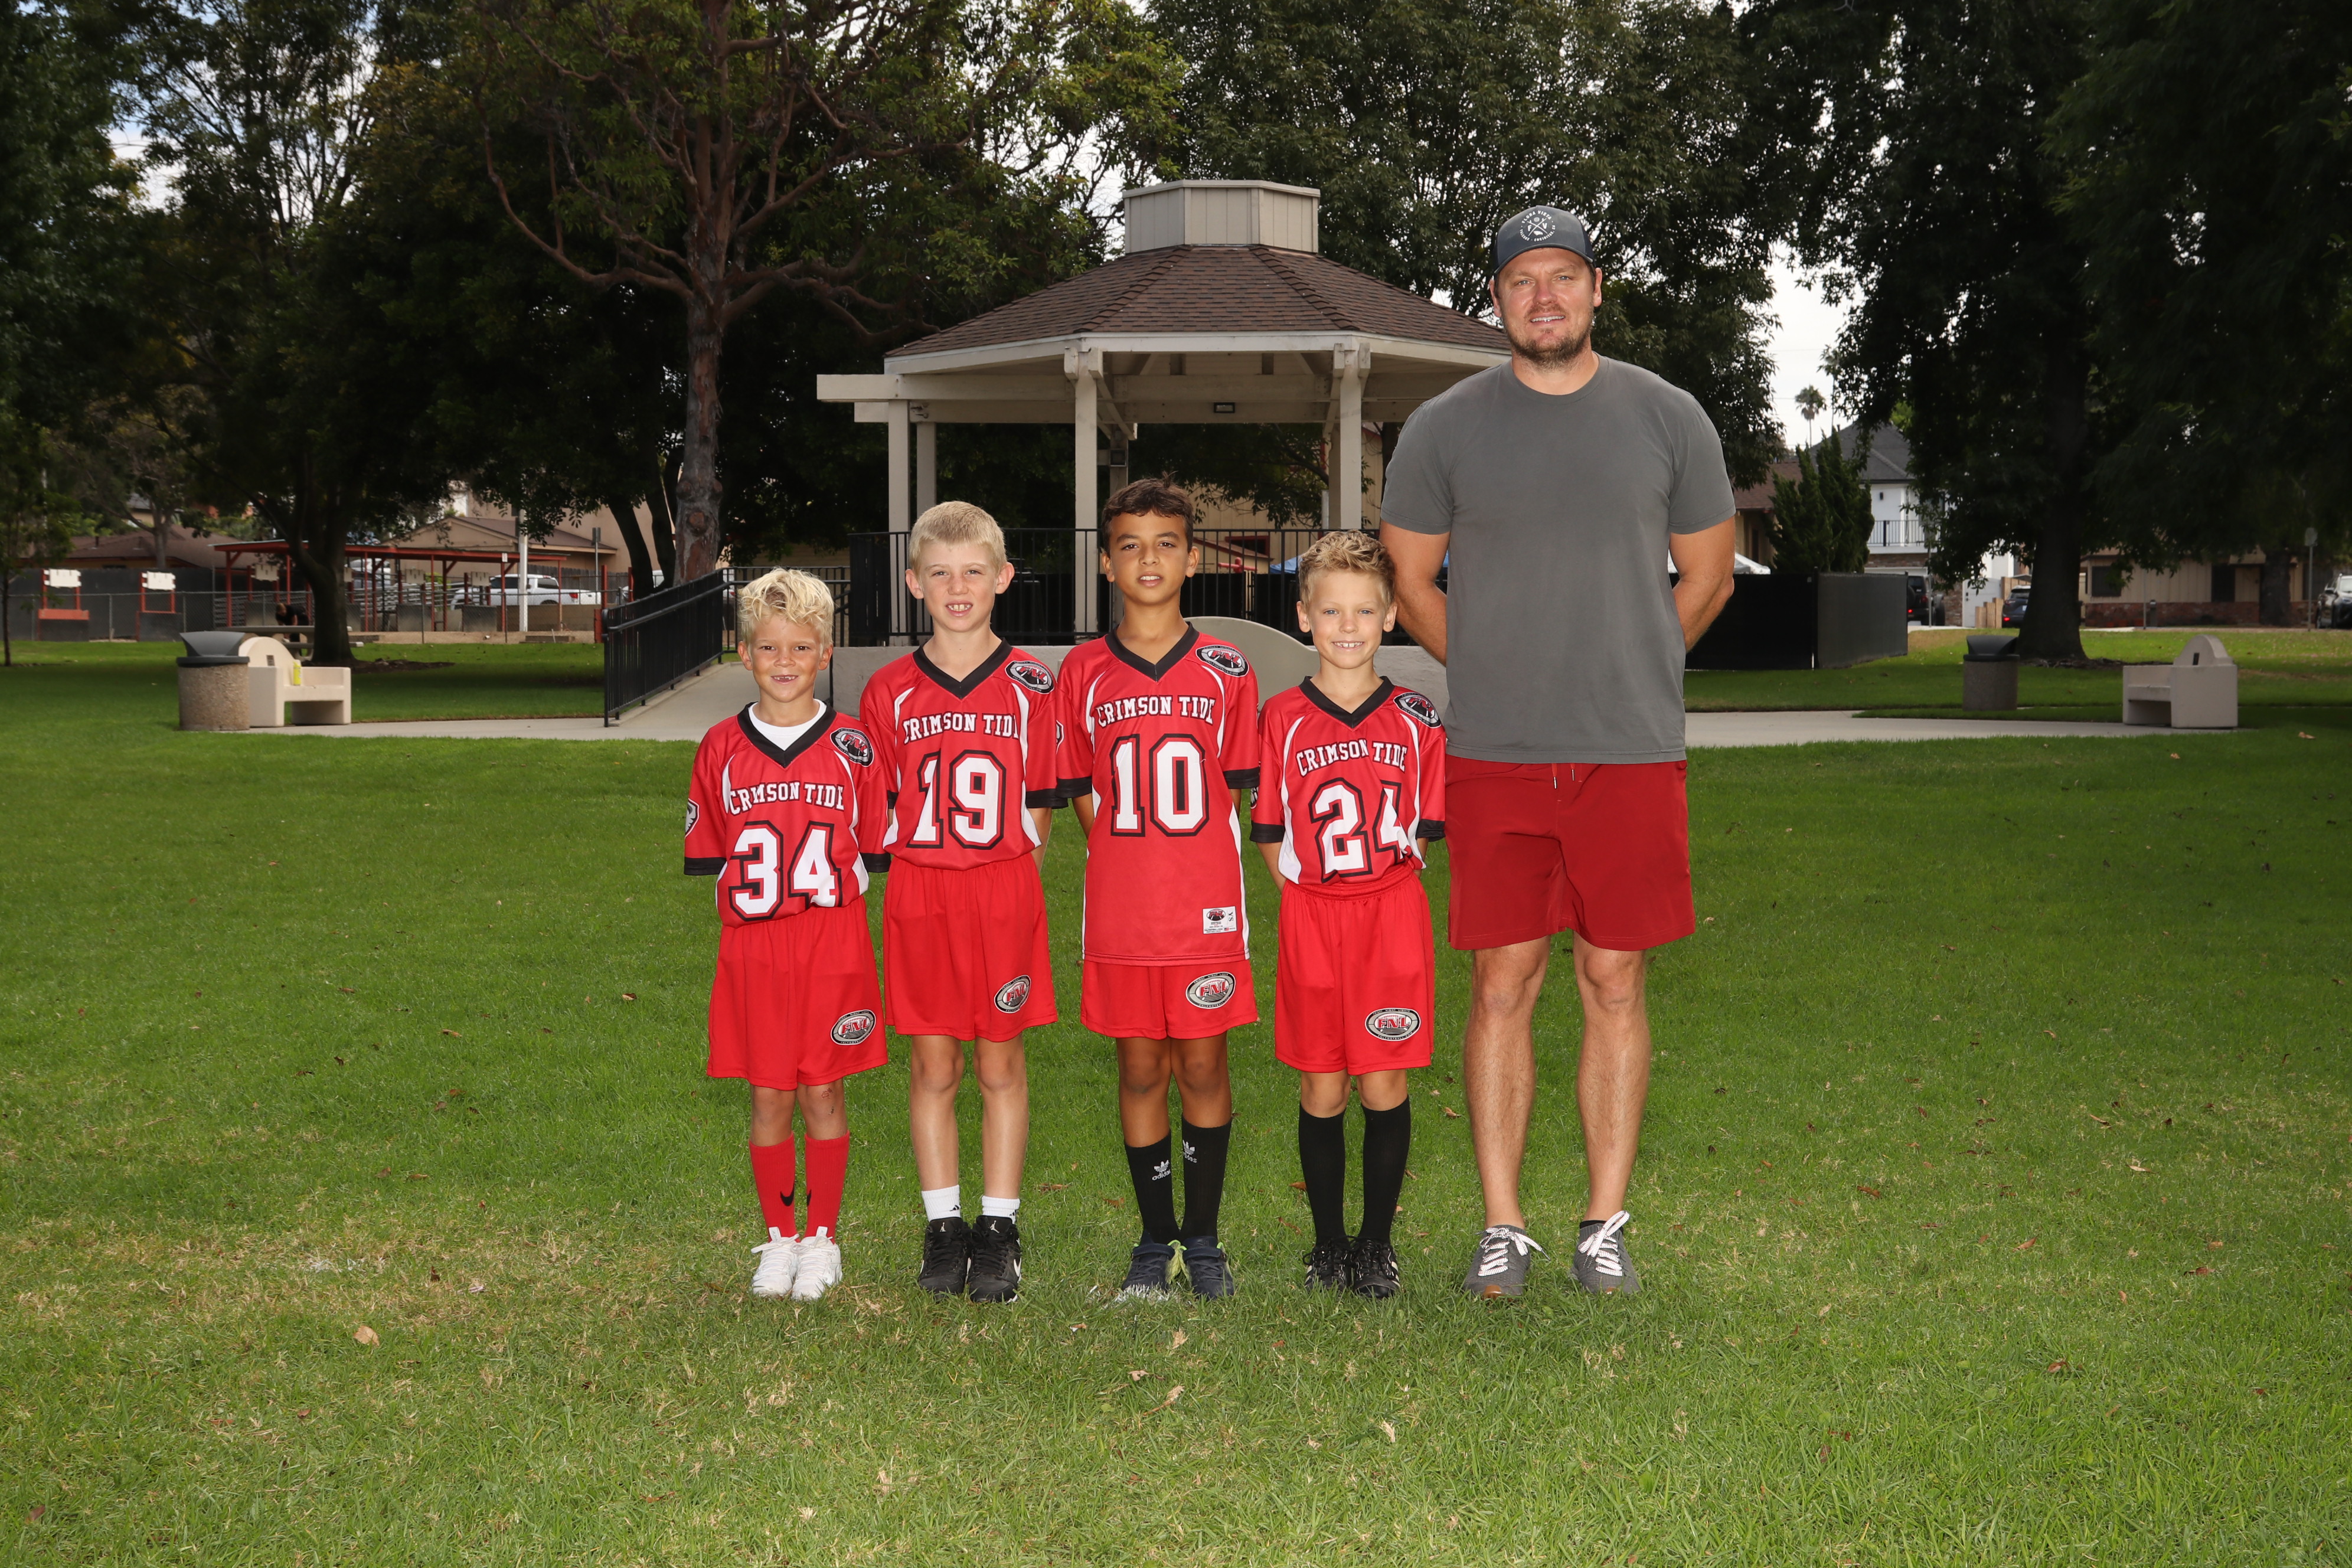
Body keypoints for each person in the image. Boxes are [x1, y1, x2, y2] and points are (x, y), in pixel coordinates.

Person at [1378, 205, 1739, 1299]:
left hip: (1628, 751)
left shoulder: (1668, 416)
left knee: (1613, 978)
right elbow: (1409, 581)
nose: (1544, 297)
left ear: (1595, 288)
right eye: (1521, 280)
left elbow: (1708, 575)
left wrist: (1634, 664)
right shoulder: (1442, 428)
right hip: (1497, 752)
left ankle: (1601, 1226)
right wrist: (1493, 669)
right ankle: (1502, 1226)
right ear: (1496, 299)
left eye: (1563, 276)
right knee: (1502, 982)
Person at [1056, 478, 1260, 1301]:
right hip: (1122, 906)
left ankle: (1202, 1241)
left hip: (1203, 905)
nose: (1149, 559)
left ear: (1192, 558)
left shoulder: (1227, 668)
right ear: (1107, 563)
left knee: (1204, 1065)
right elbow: (1080, 786)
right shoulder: (1082, 670)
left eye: (1166, 543)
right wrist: (1125, 854)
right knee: (1140, 1068)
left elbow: (1233, 788)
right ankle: (1154, 1239)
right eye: (1131, 545)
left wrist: (1186, 863)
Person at [859, 502, 1061, 1304]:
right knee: (933, 1062)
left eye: (973, 571)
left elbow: (1040, 808)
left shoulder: (1032, 684)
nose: (957, 587)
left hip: (1002, 887)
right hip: (921, 889)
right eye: (940, 572)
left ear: (1003, 578)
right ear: (914, 582)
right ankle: (944, 1228)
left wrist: (1005, 879)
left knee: (1001, 1061)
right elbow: (880, 803)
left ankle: (999, 1227)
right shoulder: (889, 690)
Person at [682, 569, 890, 1302]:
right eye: (769, 647)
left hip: (832, 941)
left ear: (825, 653)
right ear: (744, 653)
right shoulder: (719, 747)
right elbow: (712, 857)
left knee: (824, 1092)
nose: (784, 661)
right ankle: (779, 1240)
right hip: (755, 947)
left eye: (801, 647)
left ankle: (822, 1238)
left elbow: (872, 852)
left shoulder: (855, 745)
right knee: (769, 1095)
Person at [1250, 532, 1446, 1299]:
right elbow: (1271, 833)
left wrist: (1372, 897)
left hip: (1389, 916)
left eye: (1365, 610)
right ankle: (1329, 1243)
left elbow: (1423, 832)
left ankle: (1377, 1244)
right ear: (1304, 616)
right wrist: (1307, 899)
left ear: (1391, 615)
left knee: (1383, 1085)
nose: (1348, 626)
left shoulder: (1418, 719)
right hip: (1314, 918)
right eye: (1331, 610)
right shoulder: (1282, 717)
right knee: (1322, 1089)